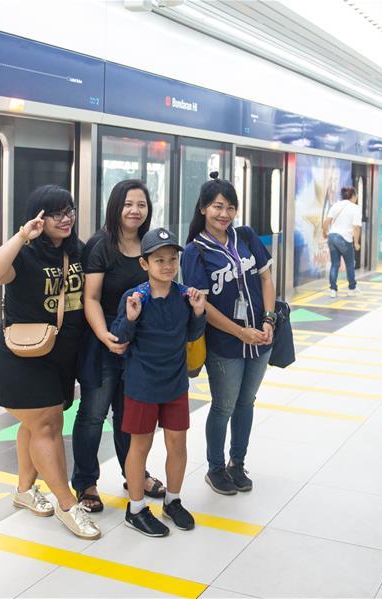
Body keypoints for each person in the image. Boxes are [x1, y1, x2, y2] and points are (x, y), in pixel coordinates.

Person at [0, 185, 99, 540]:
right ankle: (67, 505)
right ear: (39, 217)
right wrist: (21, 236)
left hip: (60, 357)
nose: (66, 218)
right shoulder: (25, 254)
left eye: (69, 210)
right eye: (55, 213)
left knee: (36, 423)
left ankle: (23, 491)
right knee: (46, 426)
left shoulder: (80, 250)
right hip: (20, 355)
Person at [72, 179, 166, 514]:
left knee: (131, 416)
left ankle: (134, 474)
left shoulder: (149, 243)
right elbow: (91, 298)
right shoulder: (101, 245)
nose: (135, 211)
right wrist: (105, 337)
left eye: (141, 204)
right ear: (116, 206)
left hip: (138, 344)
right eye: (128, 204)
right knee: (94, 414)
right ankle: (85, 482)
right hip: (104, 341)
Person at [181, 172, 276, 496]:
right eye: (218, 207)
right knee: (224, 405)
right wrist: (240, 332)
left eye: (230, 208)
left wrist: (268, 321)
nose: (225, 214)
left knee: (247, 402)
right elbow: (202, 305)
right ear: (204, 208)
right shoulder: (194, 251)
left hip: (260, 339)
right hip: (224, 344)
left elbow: (266, 279)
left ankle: (238, 462)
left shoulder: (246, 236)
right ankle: (215, 468)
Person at [110, 228, 206, 537]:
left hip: (175, 383)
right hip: (142, 385)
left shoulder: (183, 295)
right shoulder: (134, 297)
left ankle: (173, 500)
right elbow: (120, 338)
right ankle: (136, 508)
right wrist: (132, 317)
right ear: (144, 264)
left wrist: (199, 312)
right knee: (141, 445)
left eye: (173, 259)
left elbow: (191, 335)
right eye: (159, 260)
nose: (167, 265)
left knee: (177, 443)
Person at [322, 186, 362, 298]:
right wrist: (356, 243)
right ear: (353, 196)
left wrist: (324, 233)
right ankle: (351, 288)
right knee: (349, 264)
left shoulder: (336, 205)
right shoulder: (355, 208)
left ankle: (333, 290)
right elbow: (356, 228)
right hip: (344, 239)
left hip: (332, 237)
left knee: (335, 264)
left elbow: (326, 221)